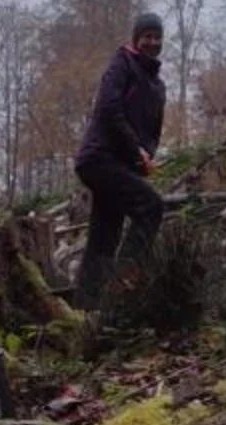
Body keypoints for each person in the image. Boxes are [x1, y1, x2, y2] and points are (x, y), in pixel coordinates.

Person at [73, 12, 167, 310]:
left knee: (104, 237)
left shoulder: (158, 85)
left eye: (157, 37)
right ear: (136, 38)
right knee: (151, 206)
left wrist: (145, 157)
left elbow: (152, 131)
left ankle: (84, 311)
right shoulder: (122, 63)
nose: (152, 42)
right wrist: (134, 147)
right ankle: (123, 285)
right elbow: (109, 109)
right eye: (146, 36)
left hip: (122, 164)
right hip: (99, 158)